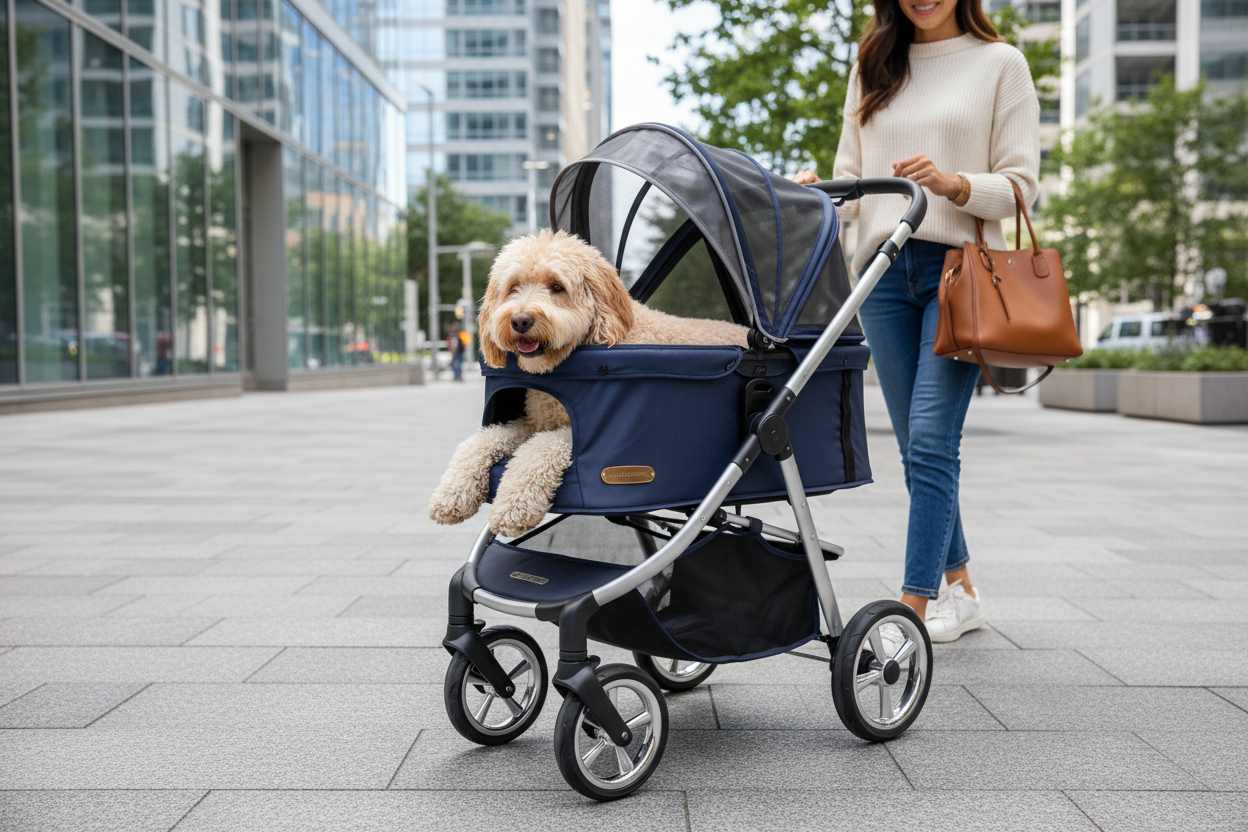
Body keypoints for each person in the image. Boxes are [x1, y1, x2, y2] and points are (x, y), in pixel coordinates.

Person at [795, 0, 1040, 641]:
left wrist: (953, 184)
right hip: (879, 274)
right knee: (914, 447)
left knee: (932, 441)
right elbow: (855, 180)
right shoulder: (873, 61)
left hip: (958, 274)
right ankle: (961, 587)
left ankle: (914, 607)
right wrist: (816, 192)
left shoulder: (999, 64)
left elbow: (1020, 187)